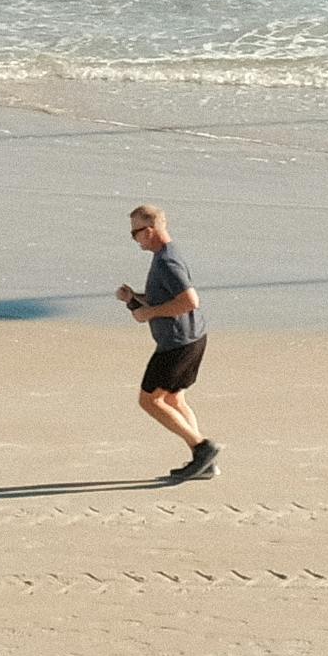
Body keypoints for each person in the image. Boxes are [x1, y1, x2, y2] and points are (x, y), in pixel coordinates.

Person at [117, 204, 215, 485]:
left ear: (148, 232)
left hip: (177, 344)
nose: (134, 239)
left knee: (149, 400)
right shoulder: (164, 256)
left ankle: (202, 447)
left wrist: (146, 313)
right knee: (173, 399)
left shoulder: (167, 262)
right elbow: (166, 297)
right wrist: (134, 297)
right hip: (191, 339)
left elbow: (189, 301)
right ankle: (202, 462)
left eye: (134, 233)